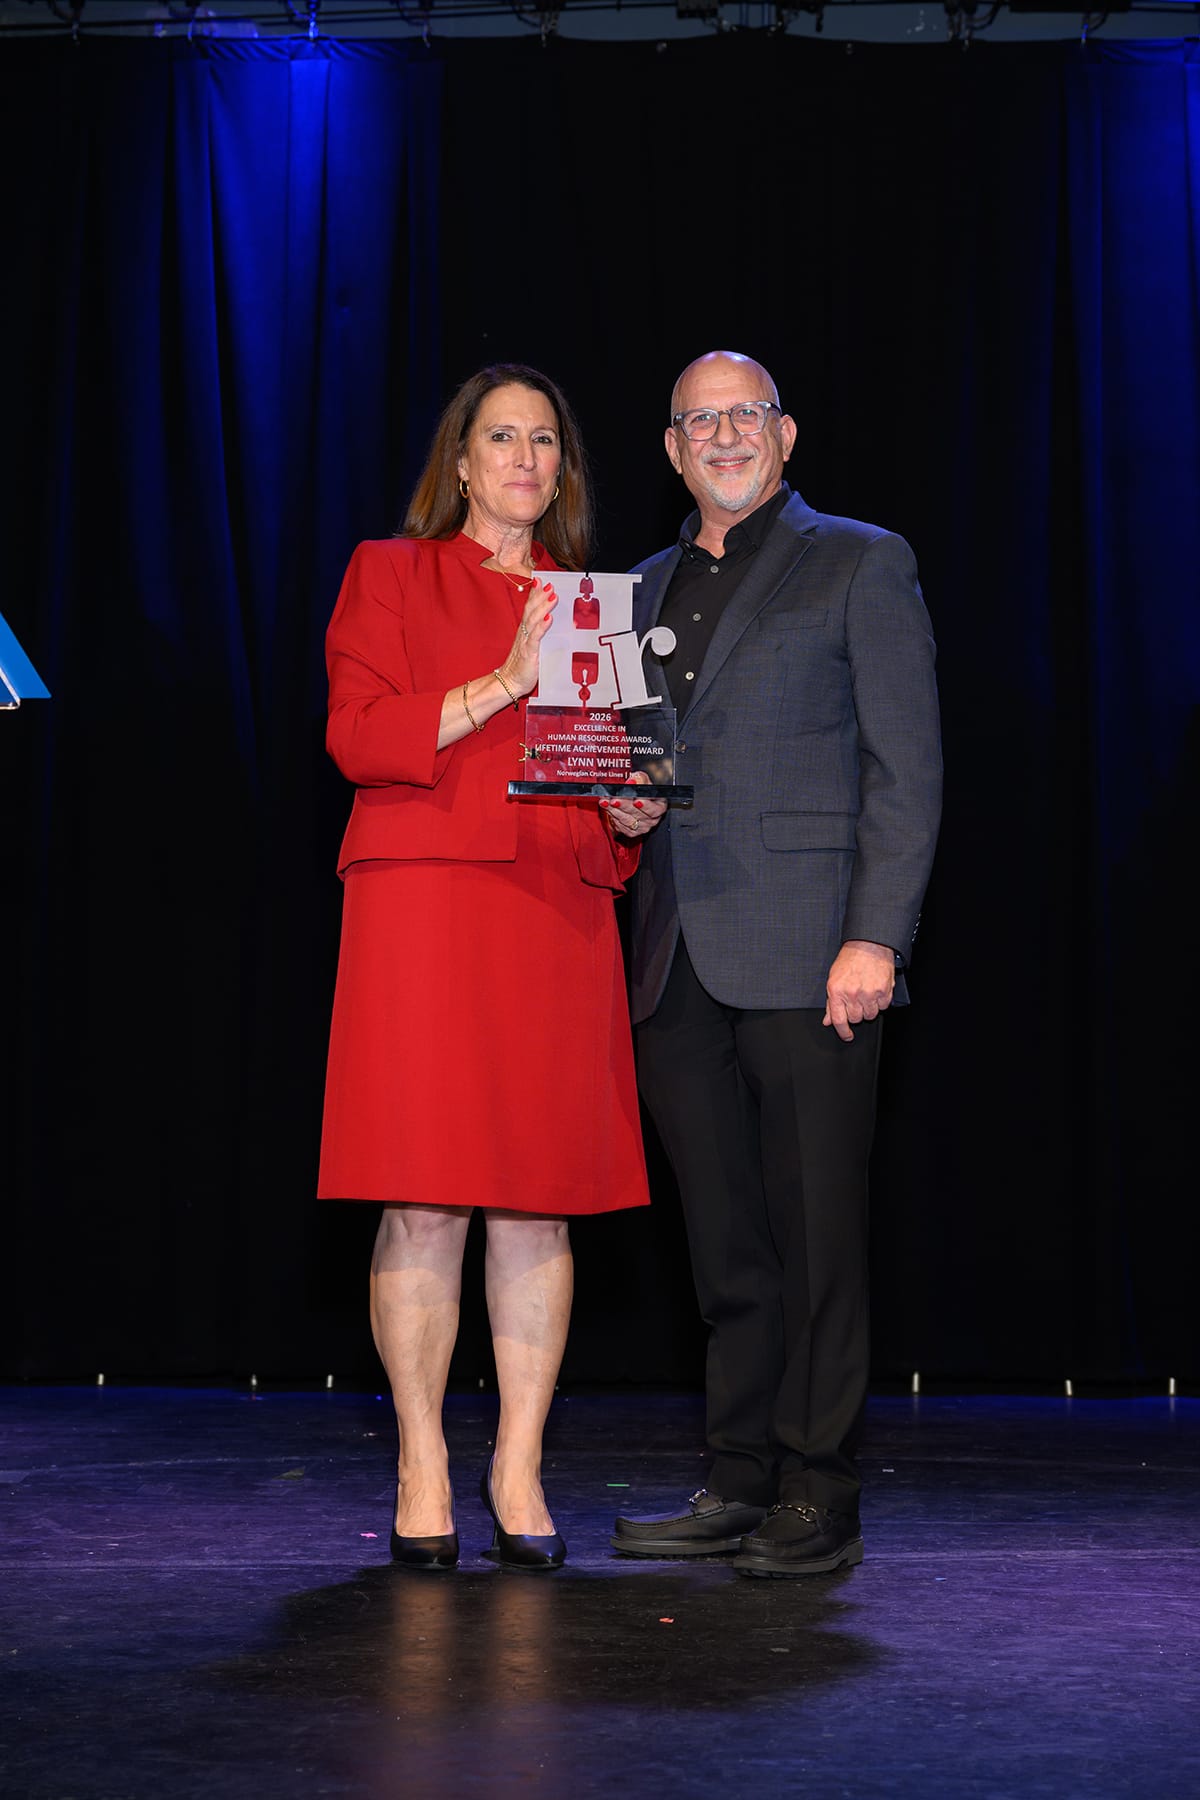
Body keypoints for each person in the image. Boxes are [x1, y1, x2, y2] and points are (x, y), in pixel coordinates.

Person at [319, 364, 658, 1573]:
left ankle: (517, 1465)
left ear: (562, 470)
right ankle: (421, 1460)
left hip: (553, 913)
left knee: (537, 1196)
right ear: (459, 463)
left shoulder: (593, 605)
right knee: (423, 1194)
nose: (525, 458)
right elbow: (358, 735)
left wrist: (629, 809)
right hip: (424, 906)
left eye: (544, 440)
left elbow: (608, 766)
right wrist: (506, 681)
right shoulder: (391, 572)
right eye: (501, 437)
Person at [611, 351, 942, 1577]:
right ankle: (738, 1478)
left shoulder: (860, 559)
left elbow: (906, 767)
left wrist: (876, 935)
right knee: (724, 1247)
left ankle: (819, 1490)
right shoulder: (633, 590)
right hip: (672, 956)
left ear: (785, 433)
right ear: (671, 450)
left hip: (813, 953)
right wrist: (622, 807)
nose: (724, 436)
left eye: (744, 414)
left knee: (818, 1239)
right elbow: (626, 757)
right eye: (699, 421)